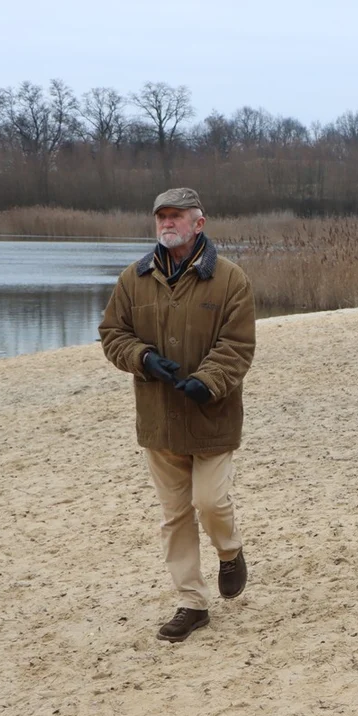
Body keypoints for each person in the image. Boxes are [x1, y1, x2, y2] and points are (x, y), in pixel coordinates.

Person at [99, 188, 256, 643]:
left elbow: (238, 345)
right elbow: (112, 334)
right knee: (174, 515)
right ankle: (192, 602)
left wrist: (207, 380)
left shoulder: (230, 280)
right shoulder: (134, 278)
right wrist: (142, 357)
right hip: (158, 419)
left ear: (198, 223)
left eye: (175, 216)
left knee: (210, 502)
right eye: (160, 217)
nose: (166, 223)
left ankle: (230, 551)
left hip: (212, 416)